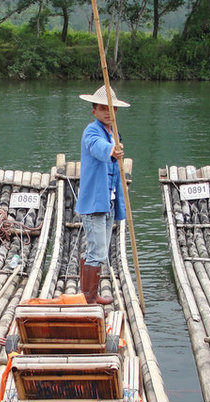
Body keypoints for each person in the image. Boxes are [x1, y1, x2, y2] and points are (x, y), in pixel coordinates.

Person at [76, 85, 129, 305]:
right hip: (95, 203)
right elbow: (97, 147)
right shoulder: (92, 131)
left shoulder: (113, 133)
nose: (108, 112)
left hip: (109, 202)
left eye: (111, 109)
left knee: (99, 251)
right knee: (97, 252)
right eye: (102, 108)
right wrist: (111, 151)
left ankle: (89, 292)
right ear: (94, 111)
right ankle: (89, 298)